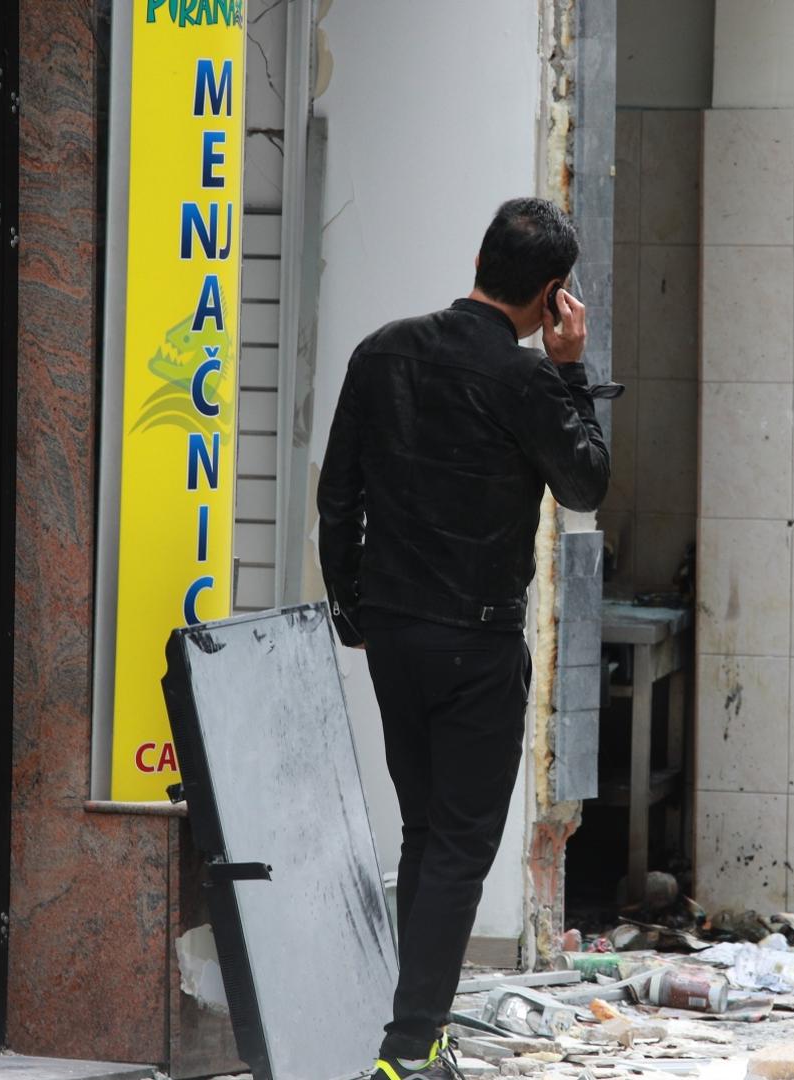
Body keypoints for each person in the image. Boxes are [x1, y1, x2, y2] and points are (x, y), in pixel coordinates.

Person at [317, 197, 611, 1079]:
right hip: (475, 645)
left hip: (395, 636)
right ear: (553, 294)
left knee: (423, 833)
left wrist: (352, 609)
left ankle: (417, 1028)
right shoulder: (524, 381)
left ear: (481, 262)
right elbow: (588, 482)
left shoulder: (383, 349)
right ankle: (408, 1050)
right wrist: (570, 368)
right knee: (457, 847)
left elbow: (339, 495)